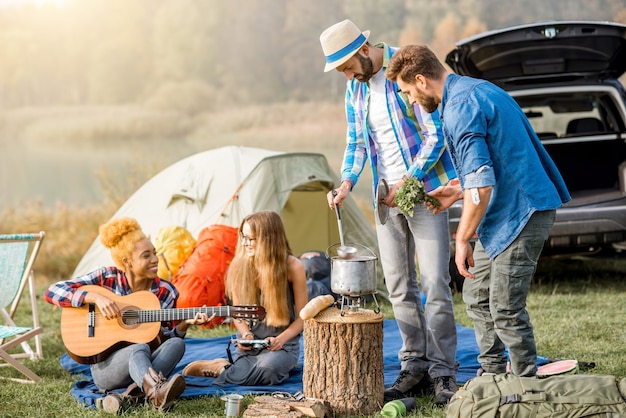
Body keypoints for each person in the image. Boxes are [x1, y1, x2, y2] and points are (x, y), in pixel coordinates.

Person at [385, 44, 571, 378]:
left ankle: (526, 387)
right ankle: (491, 375)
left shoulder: (460, 107)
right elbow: (491, 164)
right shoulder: (474, 90)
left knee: (504, 307)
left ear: (421, 80)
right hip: (501, 213)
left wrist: (462, 238)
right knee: (477, 294)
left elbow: (482, 186)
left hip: (523, 212)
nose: (411, 101)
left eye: (408, 92)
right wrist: (456, 191)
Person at [319, 19, 459, 406]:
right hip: (385, 196)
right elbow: (356, 143)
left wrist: (409, 182)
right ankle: (414, 366)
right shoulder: (355, 89)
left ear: (364, 50)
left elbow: (436, 134)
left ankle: (444, 372)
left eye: (347, 66)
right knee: (399, 287)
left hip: (425, 192)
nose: (347, 76)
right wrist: (346, 182)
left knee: (434, 284)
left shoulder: (406, 68)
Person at [44, 217, 212, 414]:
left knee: (177, 344)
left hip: (146, 363)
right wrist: (95, 297)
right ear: (127, 262)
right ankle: (154, 391)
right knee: (137, 346)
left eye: (155, 253)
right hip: (107, 370)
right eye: (146, 255)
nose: (155, 259)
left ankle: (131, 396)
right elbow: (52, 291)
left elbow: (163, 340)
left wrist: (184, 325)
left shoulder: (166, 291)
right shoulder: (107, 278)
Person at [183, 210, 308, 386]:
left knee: (268, 370)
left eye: (250, 238)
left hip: (283, 343)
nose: (244, 243)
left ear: (267, 239)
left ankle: (226, 370)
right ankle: (223, 367)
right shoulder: (239, 266)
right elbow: (237, 314)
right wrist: (246, 334)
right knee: (264, 371)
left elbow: (303, 318)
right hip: (250, 344)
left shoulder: (293, 267)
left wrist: (281, 340)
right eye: (243, 237)